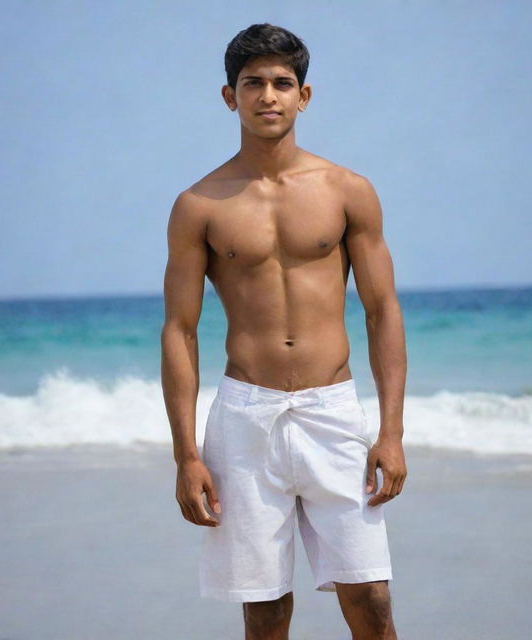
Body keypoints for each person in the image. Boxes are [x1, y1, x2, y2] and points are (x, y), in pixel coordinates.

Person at [160, 22, 407, 640]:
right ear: (229, 97)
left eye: (281, 83)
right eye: (252, 84)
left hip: (333, 410)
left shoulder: (347, 191)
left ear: (304, 95)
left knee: (371, 600)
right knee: (264, 610)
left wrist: (393, 433)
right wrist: (186, 456)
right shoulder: (201, 204)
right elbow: (179, 330)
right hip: (246, 417)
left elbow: (383, 312)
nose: (267, 95)